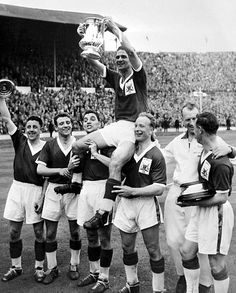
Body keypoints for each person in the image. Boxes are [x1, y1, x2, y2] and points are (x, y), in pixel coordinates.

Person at [73, 17, 147, 230]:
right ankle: (76, 182)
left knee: (115, 162)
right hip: (116, 126)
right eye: (118, 57)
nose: (121, 59)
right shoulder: (116, 78)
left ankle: (103, 212)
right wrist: (86, 39)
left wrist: (114, 30)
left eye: (123, 56)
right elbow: (91, 61)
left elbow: (132, 52)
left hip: (133, 128)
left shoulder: (138, 77)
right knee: (78, 145)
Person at [162, 102, 235, 293]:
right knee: (186, 250)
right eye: (189, 120)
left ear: (201, 128)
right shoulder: (199, 145)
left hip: (214, 209)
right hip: (196, 203)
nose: (192, 125)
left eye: (195, 122)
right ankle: (191, 289)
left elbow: (221, 197)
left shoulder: (219, 155)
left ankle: (208, 286)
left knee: (216, 264)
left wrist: (192, 201)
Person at [113, 112, 166, 293]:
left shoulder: (156, 154)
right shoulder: (128, 150)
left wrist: (132, 191)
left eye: (142, 126)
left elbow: (159, 188)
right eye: (136, 125)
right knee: (127, 246)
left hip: (146, 205)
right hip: (126, 204)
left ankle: (158, 289)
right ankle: (132, 283)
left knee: (153, 250)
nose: (137, 129)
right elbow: (115, 166)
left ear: (152, 129)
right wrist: (96, 155)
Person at [0, 96, 47, 283]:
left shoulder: (47, 147)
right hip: (17, 189)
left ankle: (39, 267)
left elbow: (47, 178)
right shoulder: (19, 140)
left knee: (38, 232)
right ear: (25, 130)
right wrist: (2, 99)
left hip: (35, 190)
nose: (31, 130)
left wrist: (42, 197)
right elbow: (6, 118)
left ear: (41, 129)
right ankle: (16, 267)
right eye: (29, 127)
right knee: (13, 232)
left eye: (35, 127)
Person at [36, 112, 81, 285]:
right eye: (61, 123)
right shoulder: (50, 145)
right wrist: (61, 170)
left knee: (75, 231)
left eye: (68, 122)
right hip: (54, 190)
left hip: (73, 190)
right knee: (50, 232)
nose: (65, 125)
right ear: (56, 127)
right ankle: (52, 268)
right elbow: (40, 170)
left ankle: (74, 265)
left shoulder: (79, 144)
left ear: (72, 124)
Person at [73, 110, 115, 293]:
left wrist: (96, 153)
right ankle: (94, 272)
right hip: (86, 189)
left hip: (103, 188)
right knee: (90, 233)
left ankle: (104, 278)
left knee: (105, 236)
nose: (88, 122)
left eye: (92, 119)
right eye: (85, 120)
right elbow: (77, 172)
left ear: (100, 123)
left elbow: (115, 165)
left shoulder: (108, 143)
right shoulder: (80, 147)